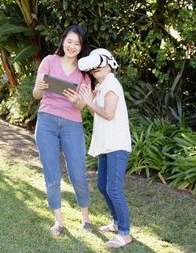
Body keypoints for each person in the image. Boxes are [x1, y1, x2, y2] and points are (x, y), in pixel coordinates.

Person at [32, 25, 93, 236]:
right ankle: (59, 221)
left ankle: (85, 218)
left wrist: (78, 101)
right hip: (47, 120)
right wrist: (41, 86)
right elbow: (36, 94)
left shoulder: (84, 75)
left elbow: (81, 107)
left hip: (72, 124)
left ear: (82, 47)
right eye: (70, 41)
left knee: (78, 174)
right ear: (63, 40)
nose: (72, 46)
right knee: (52, 174)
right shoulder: (49, 61)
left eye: (77, 44)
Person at [73, 48, 133, 248]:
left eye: (99, 67)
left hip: (116, 144)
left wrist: (90, 101)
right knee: (102, 185)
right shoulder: (102, 85)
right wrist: (89, 100)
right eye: (94, 69)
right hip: (106, 145)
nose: (96, 71)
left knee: (114, 189)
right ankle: (116, 223)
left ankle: (125, 233)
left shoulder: (112, 84)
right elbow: (97, 114)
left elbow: (108, 114)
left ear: (110, 64)